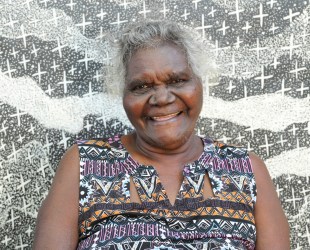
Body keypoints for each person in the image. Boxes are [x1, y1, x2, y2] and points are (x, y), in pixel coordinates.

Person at [34, 20, 290, 250]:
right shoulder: (85, 164)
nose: (162, 98)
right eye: (141, 86)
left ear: (200, 84)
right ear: (123, 94)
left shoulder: (246, 168)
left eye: (177, 80)